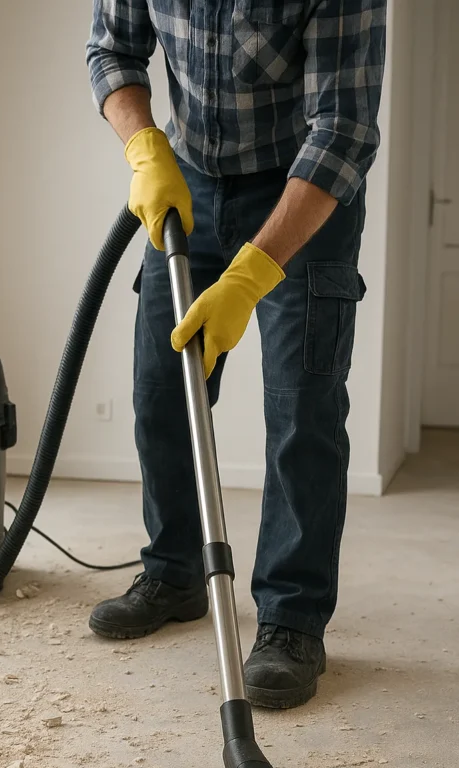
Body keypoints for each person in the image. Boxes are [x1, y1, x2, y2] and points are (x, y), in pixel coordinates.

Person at [85, 1, 386, 709]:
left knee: (301, 409)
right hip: (185, 177)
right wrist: (143, 148)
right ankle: (174, 571)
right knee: (162, 393)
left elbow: (342, 130)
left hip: (301, 194)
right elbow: (112, 51)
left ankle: (290, 620)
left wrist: (251, 275)